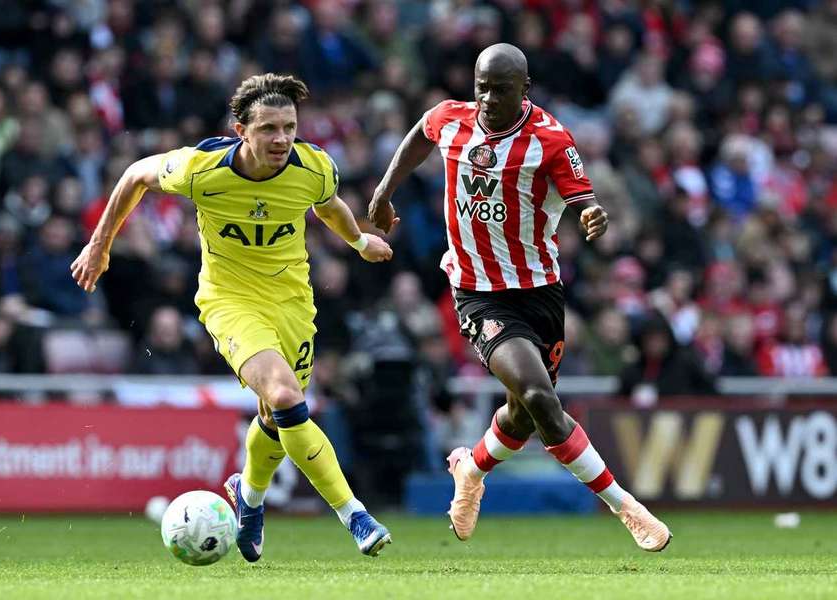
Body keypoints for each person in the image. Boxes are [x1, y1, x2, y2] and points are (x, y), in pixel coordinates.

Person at [71, 73, 393, 560]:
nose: (282, 139)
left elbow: (328, 207)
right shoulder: (201, 170)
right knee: (286, 397)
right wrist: (100, 246)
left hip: (292, 301)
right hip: (230, 301)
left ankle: (250, 496)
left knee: (276, 417)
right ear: (241, 130)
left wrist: (359, 240)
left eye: (289, 127)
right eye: (268, 129)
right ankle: (355, 515)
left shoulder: (315, 167)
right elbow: (135, 174)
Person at [369, 43, 671, 551]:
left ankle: (471, 469)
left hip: (539, 293)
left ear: (524, 89)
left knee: (524, 414)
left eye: (501, 90)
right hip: (478, 293)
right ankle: (627, 508)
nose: (488, 99)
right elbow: (421, 133)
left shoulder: (550, 139)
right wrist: (384, 191)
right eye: (482, 88)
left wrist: (591, 213)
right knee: (539, 397)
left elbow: (583, 196)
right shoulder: (452, 118)